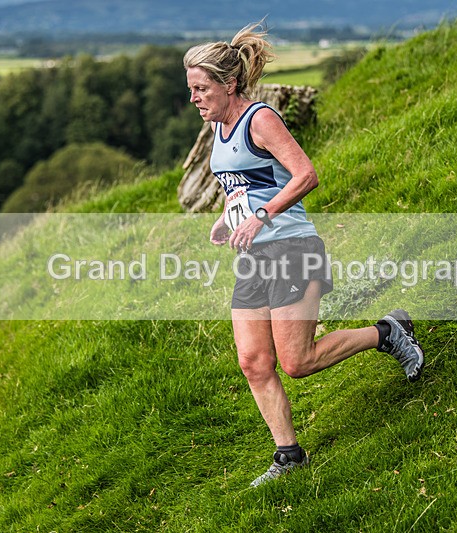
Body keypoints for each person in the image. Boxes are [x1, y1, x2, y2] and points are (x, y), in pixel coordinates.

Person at [184, 22, 425, 488]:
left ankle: (388, 332)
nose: (194, 97)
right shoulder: (218, 125)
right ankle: (289, 455)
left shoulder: (260, 119)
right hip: (254, 256)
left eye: (200, 87)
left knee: (297, 362)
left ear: (227, 83)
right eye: (191, 89)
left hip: (293, 249)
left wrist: (262, 215)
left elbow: (305, 175)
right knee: (253, 361)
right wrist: (229, 217)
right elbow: (244, 184)